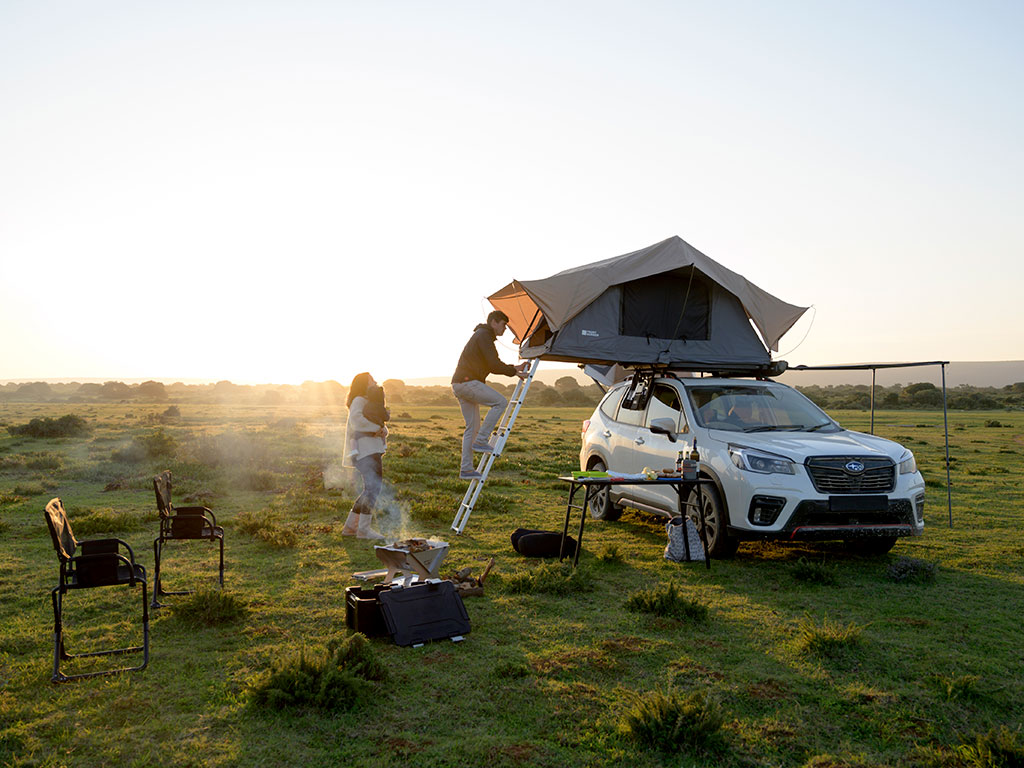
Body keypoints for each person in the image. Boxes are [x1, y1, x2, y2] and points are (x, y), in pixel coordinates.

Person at [451, 310, 528, 480]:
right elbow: (493, 364)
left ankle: (466, 469)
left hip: (459, 384)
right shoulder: (484, 335)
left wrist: (514, 369)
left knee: (472, 427)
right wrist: (514, 372)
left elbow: (492, 364)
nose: (505, 329)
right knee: (500, 402)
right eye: (503, 325)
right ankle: (481, 441)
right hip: (467, 382)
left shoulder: (481, 335)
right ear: (494, 322)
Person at [341, 372, 388, 539]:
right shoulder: (360, 400)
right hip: (365, 450)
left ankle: (350, 528)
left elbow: (378, 423)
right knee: (373, 489)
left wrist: (382, 429)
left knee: (369, 489)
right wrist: (376, 429)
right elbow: (356, 420)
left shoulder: (367, 401)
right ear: (364, 384)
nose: (375, 382)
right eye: (371, 380)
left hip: (368, 449)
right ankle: (364, 530)